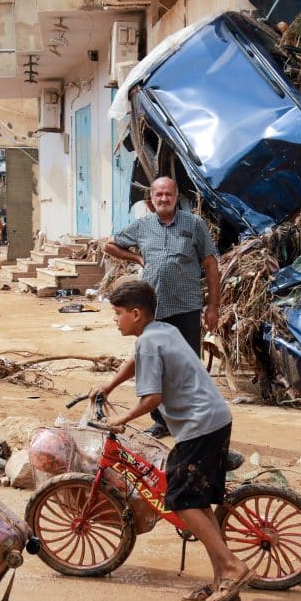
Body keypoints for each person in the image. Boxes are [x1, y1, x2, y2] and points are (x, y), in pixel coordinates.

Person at [91, 280, 252, 601]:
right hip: (214, 418)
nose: (115, 319)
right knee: (198, 502)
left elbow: (153, 398)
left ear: (136, 314)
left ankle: (234, 567)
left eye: (118, 313)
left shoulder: (150, 343)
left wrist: (121, 420)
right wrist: (109, 385)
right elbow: (137, 362)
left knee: (178, 500)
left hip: (199, 425)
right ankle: (221, 579)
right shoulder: (161, 331)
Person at [103, 176, 221, 438]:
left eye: (168, 194)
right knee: (153, 366)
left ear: (176, 197)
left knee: (187, 366)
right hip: (152, 312)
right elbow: (108, 244)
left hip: (186, 308)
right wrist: (136, 257)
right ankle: (161, 420)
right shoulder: (142, 226)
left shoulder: (194, 225)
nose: (164, 199)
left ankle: (193, 419)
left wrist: (213, 307)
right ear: (152, 199)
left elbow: (211, 266)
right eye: (159, 195)